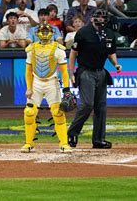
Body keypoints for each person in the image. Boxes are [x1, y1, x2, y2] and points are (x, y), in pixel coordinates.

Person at [67, 9, 122, 149]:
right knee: (87, 104)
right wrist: (71, 73)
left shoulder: (109, 34)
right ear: (92, 18)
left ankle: (98, 139)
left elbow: (111, 52)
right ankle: (72, 132)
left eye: (103, 17)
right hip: (86, 71)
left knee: (101, 107)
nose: (100, 19)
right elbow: (73, 54)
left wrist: (115, 64)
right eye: (98, 16)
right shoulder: (83, 33)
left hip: (101, 72)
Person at [21, 24, 72, 153]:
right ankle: (28, 143)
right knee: (29, 113)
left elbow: (65, 72)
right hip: (35, 82)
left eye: (46, 31)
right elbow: (28, 71)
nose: (44, 33)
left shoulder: (58, 49)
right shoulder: (31, 49)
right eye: (42, 31)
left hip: (52, 83)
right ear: (37, 33)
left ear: (52, 33)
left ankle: (64, 143)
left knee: (58, 113)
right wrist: (28, 88)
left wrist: (66, 89)